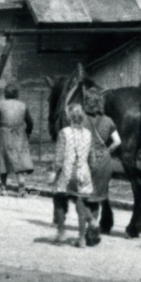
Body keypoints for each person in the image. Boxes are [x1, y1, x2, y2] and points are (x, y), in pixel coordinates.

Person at [49, 100, 96, 246]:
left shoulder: (64, 133)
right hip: (83, 171)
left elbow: (59, 156)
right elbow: (92, 157)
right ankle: (82, 237)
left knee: (59, 198)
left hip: (68, 172)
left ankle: (61, 232)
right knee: (81, 204)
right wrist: (90, 171)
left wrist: (53, 172)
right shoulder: (88, 134)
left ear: (70, 117)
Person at [83, 89, 121, 236]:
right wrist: (107, 151)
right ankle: (92, 231)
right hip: (104, 160)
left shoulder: (81, 119)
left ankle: (92, 223)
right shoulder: (108, 120)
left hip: (86, 159)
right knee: (97, 197)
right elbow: (117, 142)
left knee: (81, 197)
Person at [0, 82, 34, 194]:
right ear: (17, 94)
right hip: (19, 134)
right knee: (19, 157)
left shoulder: (0, 105)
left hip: (3, 133)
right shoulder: (23, 105)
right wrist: (28, 132)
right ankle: (21, 183)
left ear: (5, 95)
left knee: (2, 158)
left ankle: (3, 187)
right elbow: (30, 122)